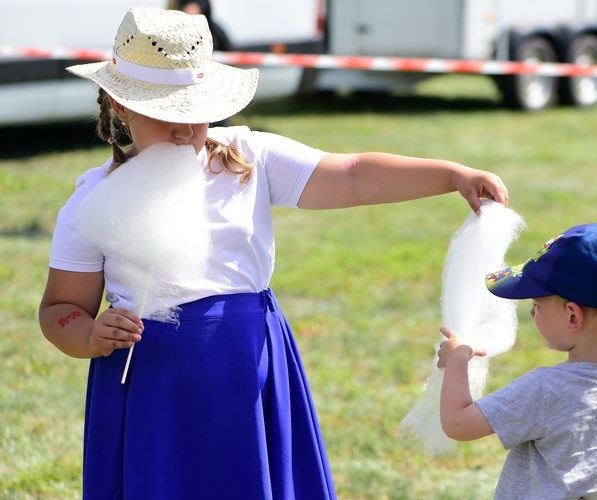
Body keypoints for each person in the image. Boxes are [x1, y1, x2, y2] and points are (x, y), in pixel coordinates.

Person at [37, 5, 509, 499]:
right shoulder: (91, 201)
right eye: (166, 115)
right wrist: (89, 334)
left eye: (196, 116)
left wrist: (450, 175)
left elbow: (350, 175)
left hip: (249, 367)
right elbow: (59, 310)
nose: (185, 131)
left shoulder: (247, 158)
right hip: (155, 387)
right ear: (121, 107)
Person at [437, 223, 597, 499]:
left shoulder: (545, 389)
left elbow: (458, 424)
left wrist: (457, 358)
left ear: (573, 316)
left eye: (537, 305)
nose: (532, 314)